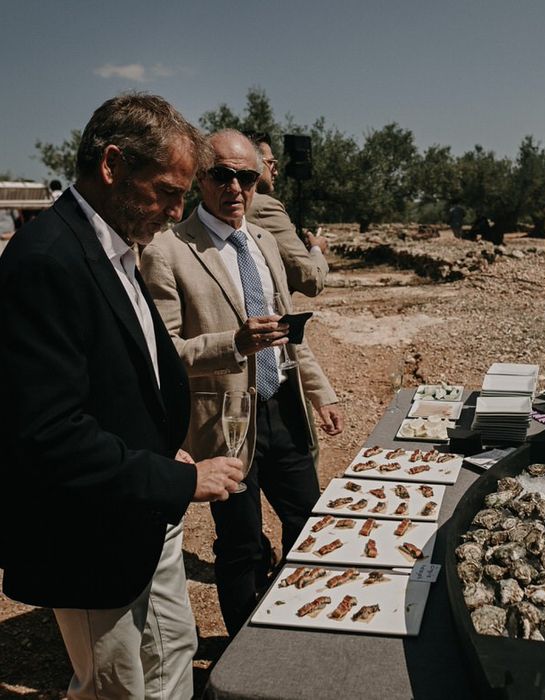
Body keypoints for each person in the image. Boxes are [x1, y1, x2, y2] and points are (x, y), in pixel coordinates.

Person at [0, 94, 244, 700]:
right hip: (88, 535)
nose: (177, 209)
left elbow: (129, 376)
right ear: (112, 166)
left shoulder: (116, 246)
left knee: (172, 657)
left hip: (143, 509)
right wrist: (182, 483)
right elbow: (51, 434)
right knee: (117, 686)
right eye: (166, 190)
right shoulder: (47, 262)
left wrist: (168, 455)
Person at [141, 129, 343, 635]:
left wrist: (321, 393)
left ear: (258, 181)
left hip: (283, 407)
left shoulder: (265, 240)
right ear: (201, 179)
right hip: (226, 425)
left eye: (246, 176)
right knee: (242, 545)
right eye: (222, 175)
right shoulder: (167, 251)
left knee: (308, 526)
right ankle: (239, 660)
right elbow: (163, 355)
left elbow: (288, 328)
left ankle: (305, 627)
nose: (235, 187)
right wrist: (233, 343)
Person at [246, 134, 329, 297]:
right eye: (271, 163)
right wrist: (316, 249)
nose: (275, 171)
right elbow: (311, 280)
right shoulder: (264, 207)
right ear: (252, 163)